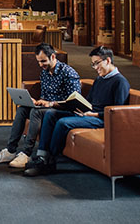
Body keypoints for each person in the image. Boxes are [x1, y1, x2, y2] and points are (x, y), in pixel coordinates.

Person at [24, 46, 130, 177]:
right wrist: (80, 107)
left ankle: (48, 162)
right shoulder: (99, 79)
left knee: (63, 123)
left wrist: (95, 114)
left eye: (97, 63)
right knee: (51, 114)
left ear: (107, 60)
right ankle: (42, 155)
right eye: (93, 64)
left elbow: (117, 112)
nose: (95, 68)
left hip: (100, 119)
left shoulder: (120, 82)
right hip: (88, 114)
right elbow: (89, 101)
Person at [0, 43, 81, 169]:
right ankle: (11, 150)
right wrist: (36, 101)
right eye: (38, 61)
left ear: (53, 57)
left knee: (36, 112)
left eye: (43, 61)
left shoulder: (69, 73)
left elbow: (74, 102)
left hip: (64, 110)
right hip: (47, 107)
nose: (40, 65)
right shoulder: (45, 72)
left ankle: (26, 153)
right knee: (22, 109)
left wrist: (50, 104)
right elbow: (45, 96)